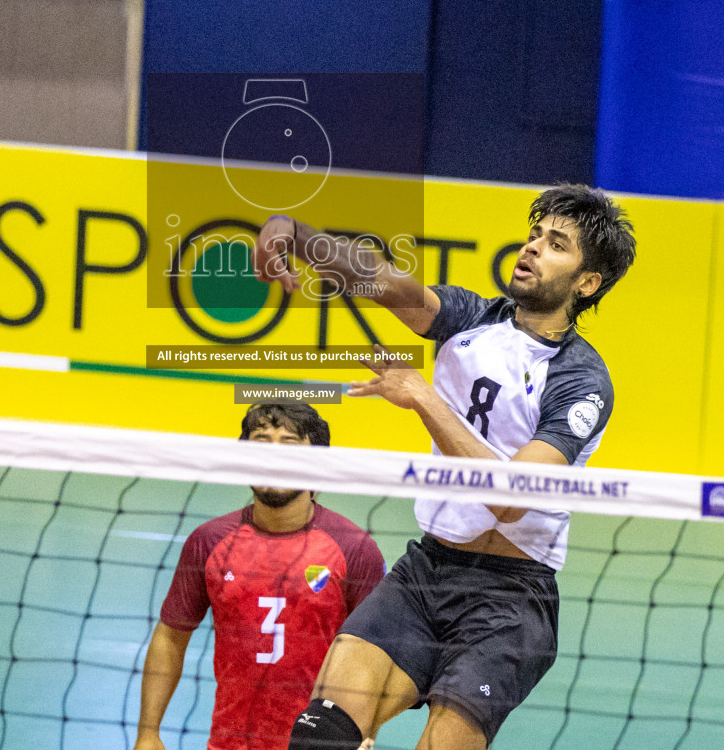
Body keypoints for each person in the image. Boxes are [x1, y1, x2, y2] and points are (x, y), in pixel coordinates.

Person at [252, 183, 637, 750]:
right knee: (320, 738)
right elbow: (382, 281)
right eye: (534, 234)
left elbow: (509, 498)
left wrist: (426, 399)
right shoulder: (470, 318)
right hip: (424, 572)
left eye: (557, 244)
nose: (532, 248)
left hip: (509, 603)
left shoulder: (580, 382)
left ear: (587, 283)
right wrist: (294, 233)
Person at [135, 402, 387, 750]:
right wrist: (148, 733)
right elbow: (170, 637)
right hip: (230, 742)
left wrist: (366, 729)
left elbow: (376, 653)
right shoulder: (209, 542)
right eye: (261, 441)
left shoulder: (355, 549)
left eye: (290, 444)